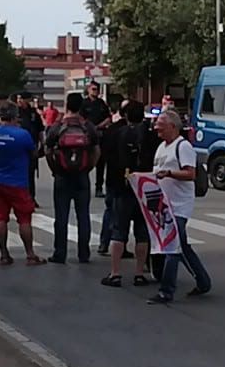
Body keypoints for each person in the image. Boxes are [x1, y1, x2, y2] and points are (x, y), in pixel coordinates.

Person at [148, 109, 210, 303]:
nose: (156, 129)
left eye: (160, 125)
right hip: (164, 205)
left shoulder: (183, 147)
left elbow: (190, 174)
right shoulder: (161, 147)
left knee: (172, 247)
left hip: (179, 205)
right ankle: (203, 281)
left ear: (172, 127)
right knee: (180, 245)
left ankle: (167, 290)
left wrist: (169, 174)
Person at [97, 99, 155, 287]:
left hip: (122, 186)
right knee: (142, 233)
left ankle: (115, 273)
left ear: (126, 115)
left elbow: (105, 156)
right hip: (145, 188)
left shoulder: (116, 133)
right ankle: (139, 273)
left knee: (119, 231)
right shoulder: (151, 136)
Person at [43, 94, 101, 264]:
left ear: (67, 105)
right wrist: (88, 167)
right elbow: (97, 151)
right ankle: (84, 253)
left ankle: (60, 253)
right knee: (83, 215)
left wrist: (55, 169)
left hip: (62, 176)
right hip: (82, 176)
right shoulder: (88, 127)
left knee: (61, 216)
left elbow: (47, 150)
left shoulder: (58, 126)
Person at [0, 103, 43, 266]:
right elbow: (33, 153)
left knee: (0, 217)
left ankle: (4, 254)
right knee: (24, 219)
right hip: (18, 181)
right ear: (15, 116)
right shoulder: (22, 135)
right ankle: (30, 255)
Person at [14, 92, 46, 199]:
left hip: (31, 146)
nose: (19, 101)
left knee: (30, 173)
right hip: (17, 147)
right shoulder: (15, 112)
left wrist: (43, 143)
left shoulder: (33, 113)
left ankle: (31, 196)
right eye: (18, 98)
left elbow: (40, 129)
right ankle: (18, 196)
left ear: (27, 100)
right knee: (17, 172)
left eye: (21, 99)